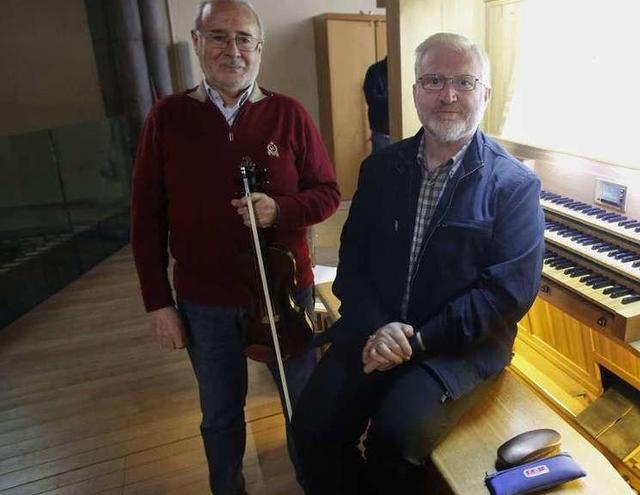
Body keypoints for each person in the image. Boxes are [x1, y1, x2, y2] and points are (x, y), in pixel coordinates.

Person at [293, 32, 544, 494]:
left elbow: (506, 295)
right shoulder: (381, 169)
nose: (448, 95)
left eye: (464, 82)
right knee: (310, 429)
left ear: (484, 94)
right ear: (414, 92)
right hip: (376, 330)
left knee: (394, 438)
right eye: (433, 80)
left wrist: (417, 339)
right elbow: (354, 265)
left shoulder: (514, 185)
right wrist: (378, 328)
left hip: (458, 348)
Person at [130, 1, 340, 493]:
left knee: (302, 405)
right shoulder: (167, 117)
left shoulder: (288, 113)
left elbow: (328, 193)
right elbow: (145, 218)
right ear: (197, 42)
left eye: (244, 38)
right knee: (220, 415)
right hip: (205, 301)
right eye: (219, 37)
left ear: (259, 47)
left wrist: (281, 210)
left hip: (285, 294)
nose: (233, 50)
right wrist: (159, 303)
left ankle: (316, 483)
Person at [363, 56, 390, 152]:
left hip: (403, 127)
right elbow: (371, 99)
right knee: (380, 164)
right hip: (381, 131)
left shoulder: (405, 70)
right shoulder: (374, 71)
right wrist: (394, 102)